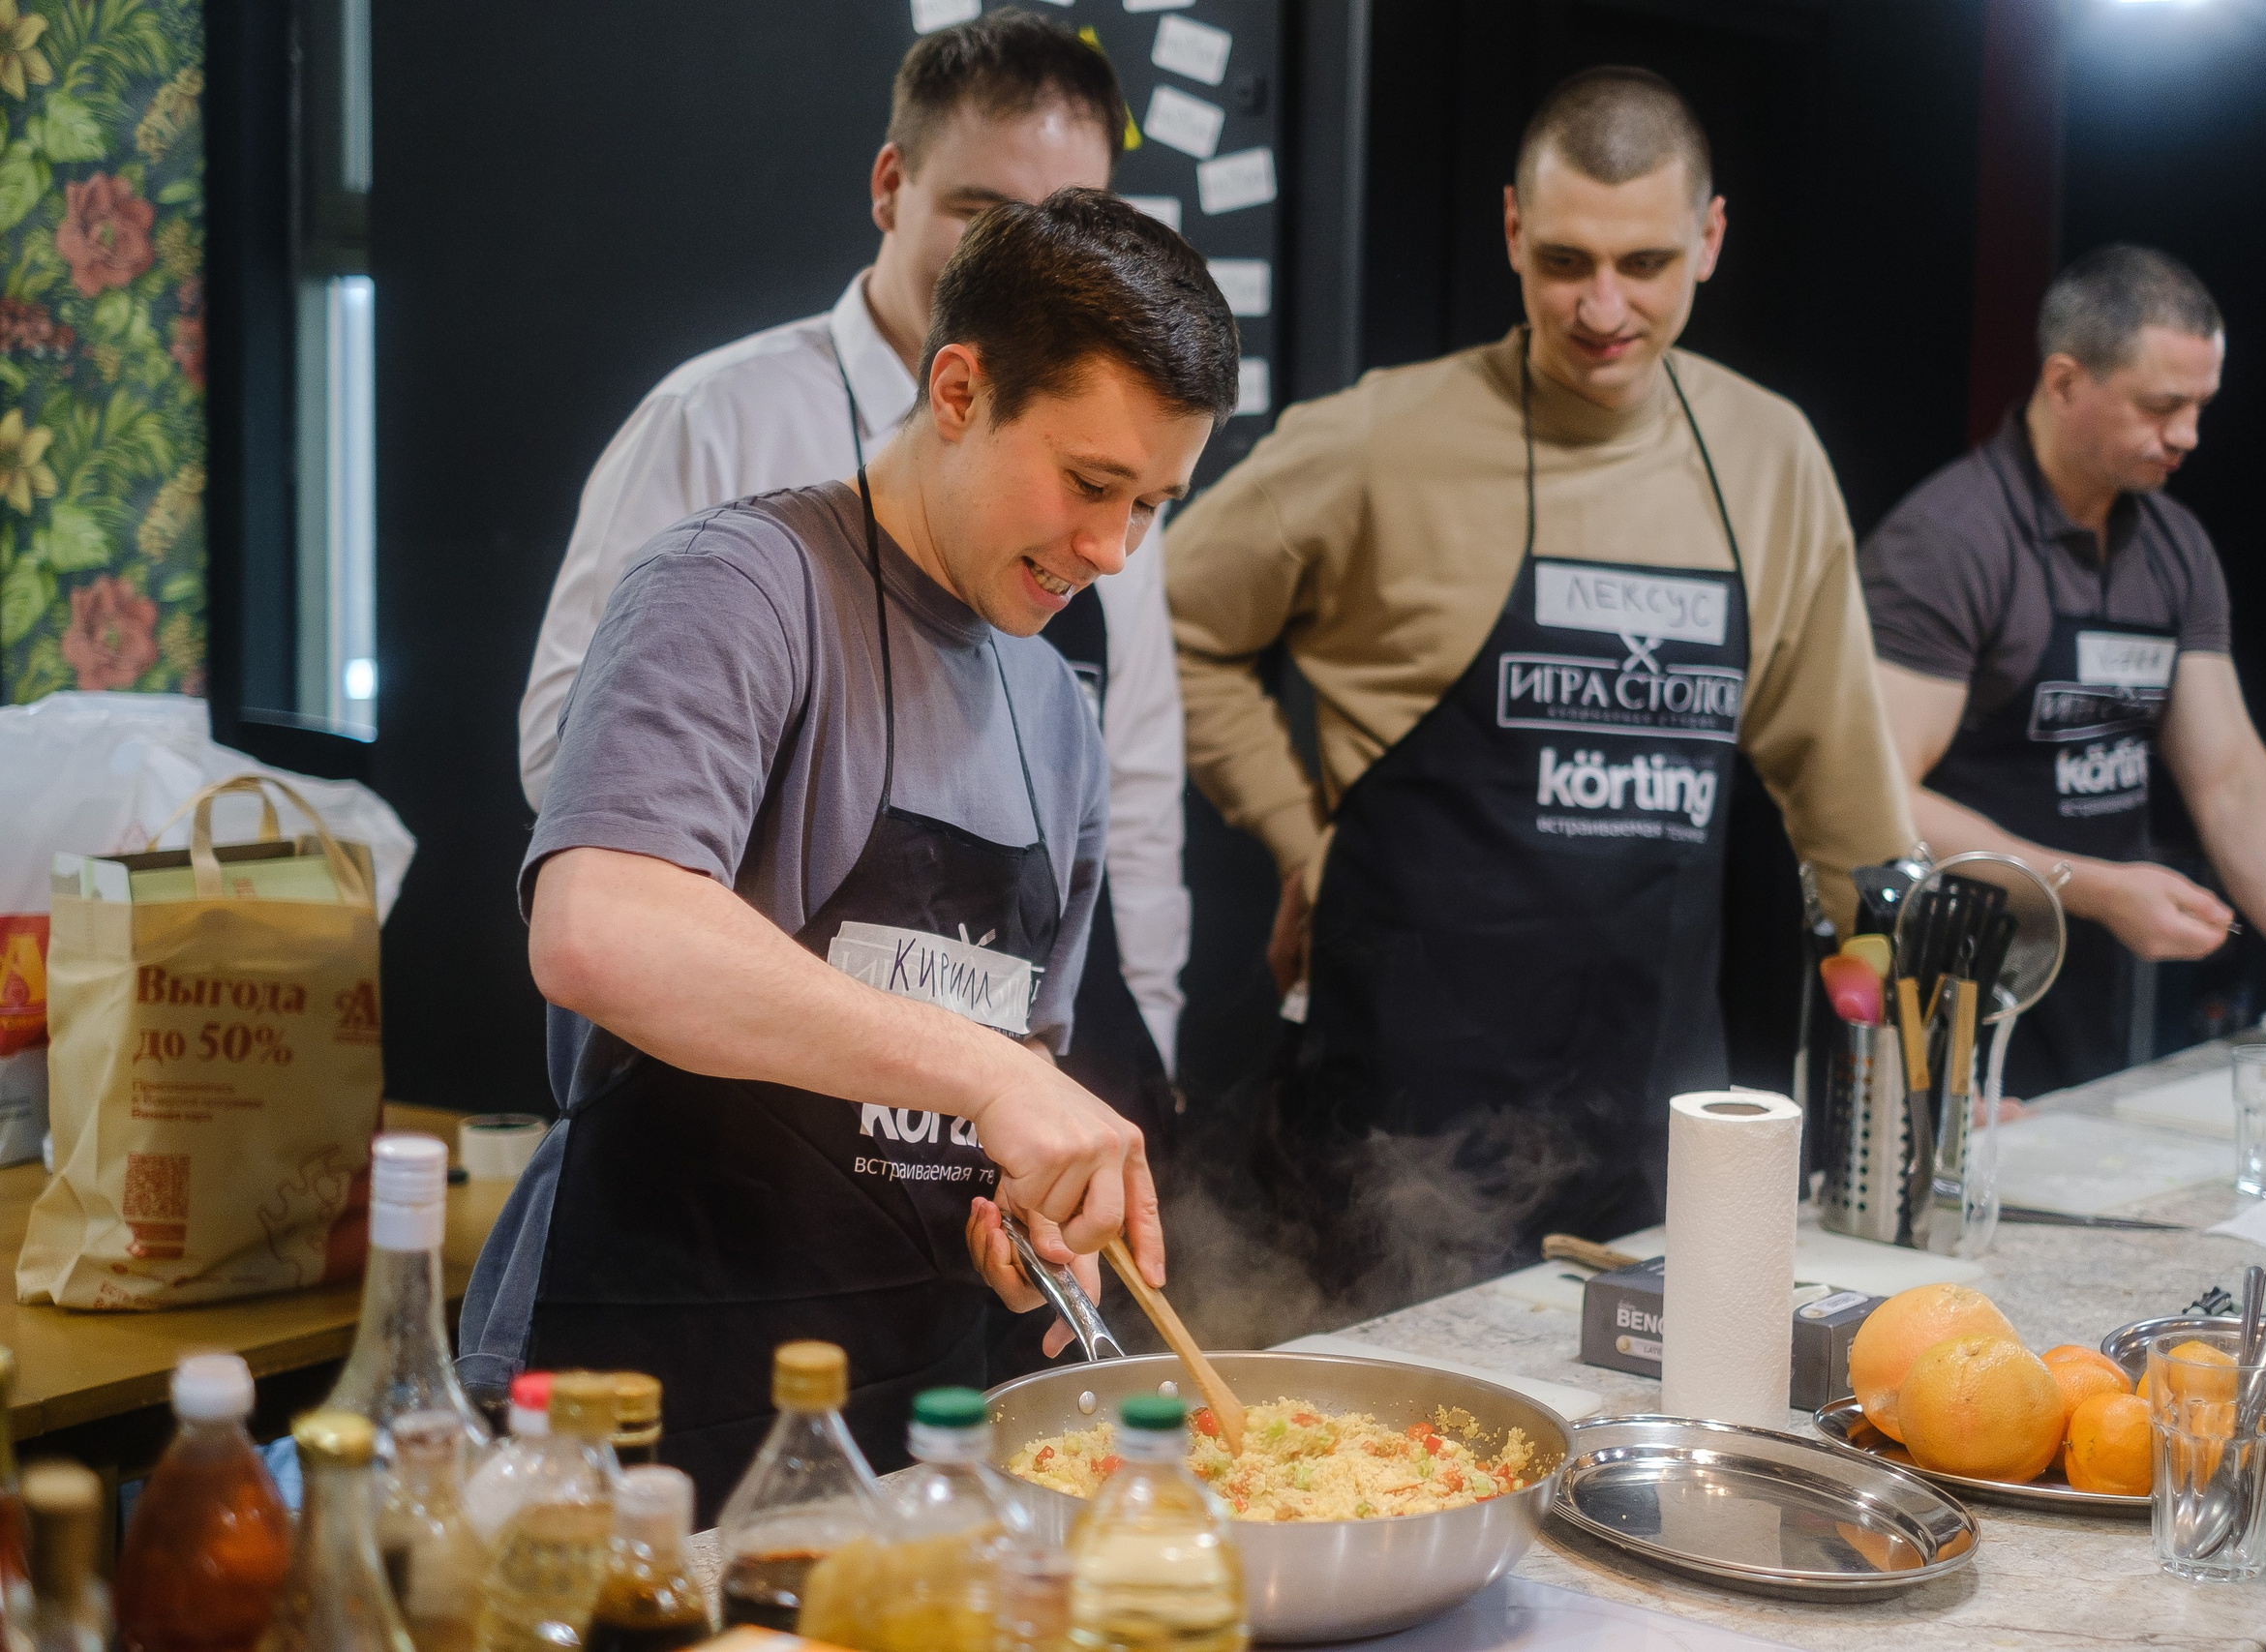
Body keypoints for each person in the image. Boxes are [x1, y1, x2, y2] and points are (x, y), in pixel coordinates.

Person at [460, 190, 1239, 1509]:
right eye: (1091, 483)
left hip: (906, 1420)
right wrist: (987, 1073)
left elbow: (998, 1067)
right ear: (957, 387)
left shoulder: (1054, 708)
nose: (1111, 550)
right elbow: (599, 926)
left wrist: (1024, 1214)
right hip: (648, 1403)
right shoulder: (737, 587)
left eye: (1153, 504)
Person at [1163, 69, 1913, 1302]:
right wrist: (1299, 838)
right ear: (1510, 228)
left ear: (1711, 241)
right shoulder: (1380, 439)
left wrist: (1906, 1041)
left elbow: (1841, 786)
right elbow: (1164, 618)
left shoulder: (1767, 456)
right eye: (1565, 260)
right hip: (1398, 1141)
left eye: (1646, 265)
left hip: (1657, 1129)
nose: (1602, 307)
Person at [516, 10, 1187, 1162]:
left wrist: (1053, 1129)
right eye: (996, 218)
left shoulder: (1055, 678)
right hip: (698, 1222)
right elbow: (595, 872)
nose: (1109, 547)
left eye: (1144, 506)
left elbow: (1127, 815)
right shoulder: (729, 502)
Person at [1860, 246, 2266, 1097]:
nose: (2189, 435)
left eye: (2201, 405)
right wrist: (2091, 888)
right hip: (1950, 1006)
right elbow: (1878, 799)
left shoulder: (2174, 547)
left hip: (2098, 998)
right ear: (2063, 382)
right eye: (2162, 406)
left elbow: (2230, 776)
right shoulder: (1946, 544)